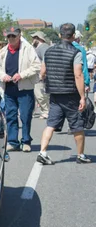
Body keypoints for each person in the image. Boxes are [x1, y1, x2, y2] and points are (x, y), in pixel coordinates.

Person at [37, 23, 91, 165]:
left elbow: (42, 73)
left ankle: (42, 152)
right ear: (73, 36)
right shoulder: (76, 52)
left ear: (60, 35)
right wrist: (82, 97)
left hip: (54, 94)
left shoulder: (48, 52)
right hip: (70, 94)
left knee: (51, 124)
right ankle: (80, 155)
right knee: (77, 125)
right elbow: (78, 75)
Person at [0, 27, 41, 153]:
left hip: (25, 88)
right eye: (9, 36)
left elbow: (36, 66)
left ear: (19, 36)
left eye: (13, 36)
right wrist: (3, 76)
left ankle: (26, 141)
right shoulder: (3, 51)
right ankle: (13, 141)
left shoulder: (28, 49)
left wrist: (22, 75)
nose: (11, 38)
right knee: (11, 116)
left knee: (25, 116)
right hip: (9, 89)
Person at [31, 31, 51, 119]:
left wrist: (42, 74)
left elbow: (45, 61)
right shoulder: (40, 47)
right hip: (38, 74)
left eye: (34, 38)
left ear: (38, 38)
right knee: (39, 94)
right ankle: (44, 111)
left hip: (40, 75)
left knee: (40, 94)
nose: (32, 40)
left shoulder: (43, 47)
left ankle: (46, 111)